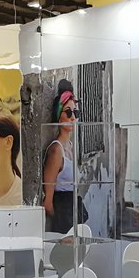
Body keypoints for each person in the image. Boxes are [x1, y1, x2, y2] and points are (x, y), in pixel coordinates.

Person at [42, 80, 87, 233]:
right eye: (68, 112)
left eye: (76, 113)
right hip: (64, 217)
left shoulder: (71, 147)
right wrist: (61, 220)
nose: (73, 117)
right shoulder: (56, 150)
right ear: (59, 116)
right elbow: (47, 202)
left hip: (73, 213)